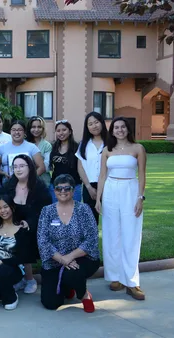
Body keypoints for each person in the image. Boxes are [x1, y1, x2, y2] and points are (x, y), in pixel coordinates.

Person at [96, 117, 147, 301]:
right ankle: (115, 277)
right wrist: (99, 199)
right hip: (110, 191)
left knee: (131, 234)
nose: (119, 130)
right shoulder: (107, 151)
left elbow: (142, 175)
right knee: (111, 234)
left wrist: (140, 198)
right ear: (112, 131)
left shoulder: (138, 148)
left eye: (123, 127)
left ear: (128, 129)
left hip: (130, 190)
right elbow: (102, 176)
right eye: (116, 127)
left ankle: (132, 282)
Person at [37, 174, 100, 313]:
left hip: (82, 258)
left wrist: (69, 257)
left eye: (67, 188)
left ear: (73, 190)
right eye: (59, 188)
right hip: (54, 261)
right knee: (50, 303)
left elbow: (91, 238)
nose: (63, 192)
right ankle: (68, 286)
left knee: (72, 273)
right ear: (54, 191)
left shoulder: (84, 209)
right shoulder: (46, 211)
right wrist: (62, 259)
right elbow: (42, 241)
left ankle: (84, 295)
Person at [0, 154, 52, 293]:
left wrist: (29, 223)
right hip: (12, 222)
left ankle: (29, 278)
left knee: (23, 237)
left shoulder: (39, 187)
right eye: (15, 166)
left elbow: (44, 210)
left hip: (33, 226)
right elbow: (0, 203)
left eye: (22, 166)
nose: (18, 169)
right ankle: (17, 278)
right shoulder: (9, 185)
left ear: (30, 167)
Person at [0, 194, 31, 310]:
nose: (3, 211)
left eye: (5, 207)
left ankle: (11, 297)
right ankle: (5, 289)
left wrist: (3, 261)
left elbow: (22, 257)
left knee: (1, 271)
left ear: (12, 207)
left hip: (13, 267)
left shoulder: (21, 228)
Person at [76, 112, 107, 223]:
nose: (94, 126)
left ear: (102, 123)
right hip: (90, 186)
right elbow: (80, 167)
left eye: (96, 122)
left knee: (110, 218)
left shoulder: (111, 142)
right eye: (90, 124)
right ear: (87, 127)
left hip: (109, 184)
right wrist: (88, 187)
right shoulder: (84, 144)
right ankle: (92, 241)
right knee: (91, 220)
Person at [50, 120, 81, 202]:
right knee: (56, 211)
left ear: (70, 131)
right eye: (58, 131)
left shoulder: (77, 148)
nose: (61, 133)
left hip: (74, 186)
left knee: (73, 212)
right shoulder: (54, 147)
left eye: (64, 130)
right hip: (56, 186)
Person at [26, 116, 52, 186]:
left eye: (39, 127)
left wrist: (31, 178)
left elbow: (46, 166)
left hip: (43, 182)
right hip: (24, 181)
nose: (36, 129)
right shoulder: (24, 143)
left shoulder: (47, 145)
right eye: (33, 127)